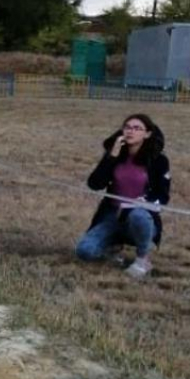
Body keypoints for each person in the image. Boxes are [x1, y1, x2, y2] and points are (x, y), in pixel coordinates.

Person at [76, 113, 171, 278]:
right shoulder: (115, 154)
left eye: (137, 128)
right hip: (113, 215)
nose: (130, 131)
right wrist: (111, 157)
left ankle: (143, 259)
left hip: (141, 214)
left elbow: (163, 196)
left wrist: (143, 201)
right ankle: (113, 245)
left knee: (138, 216)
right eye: (127, 127)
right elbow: (95, 184)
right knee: (84, 252)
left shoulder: (159, 160)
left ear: (147, 134)